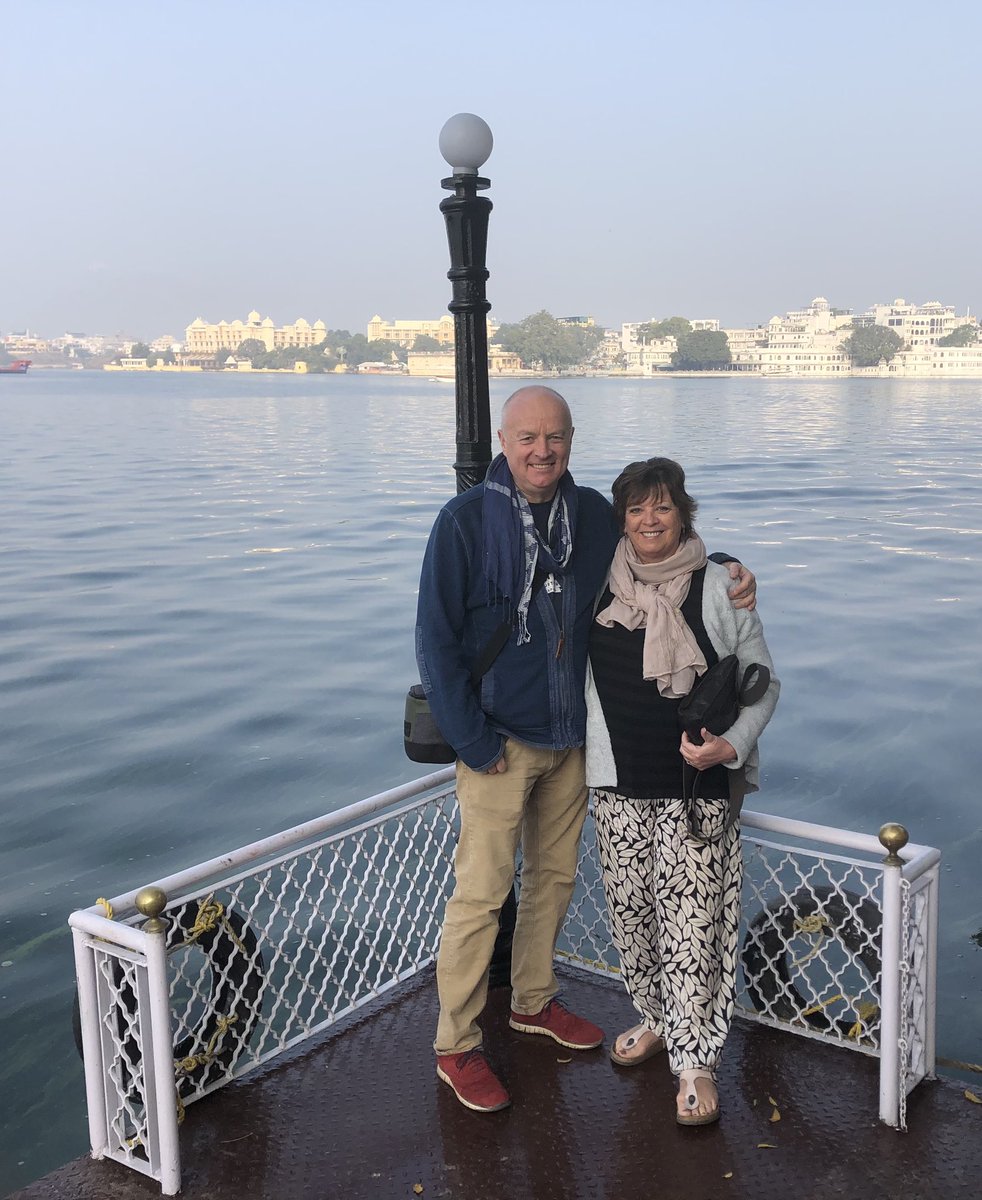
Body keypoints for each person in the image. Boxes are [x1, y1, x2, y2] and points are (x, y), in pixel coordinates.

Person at [415, 387, 757, 1113]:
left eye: (556, 437)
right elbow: (435, 642)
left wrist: (731, 569)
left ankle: (532, 1001)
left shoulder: (592, 514)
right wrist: (474, 742)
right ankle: (456, 1045)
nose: (543, 451)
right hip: (497, 745)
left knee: (553, 881)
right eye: (528, 438)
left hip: (573, 741)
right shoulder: (465, 521)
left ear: (572, 439)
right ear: (504, 441)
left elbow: (659, 550)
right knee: (480, 898)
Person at [584, 456, 779, 1126]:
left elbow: (763, 681)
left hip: (695, 791)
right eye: (636, 508)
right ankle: (656, 1018)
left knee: (694, 928)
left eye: (662, 506)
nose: (648, 520)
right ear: (622, 517)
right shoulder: (598, 582)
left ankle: (696, 1063)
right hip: (615, 787)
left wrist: (736, 744)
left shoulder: (721, 590)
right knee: (633, 917)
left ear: (683, 514)